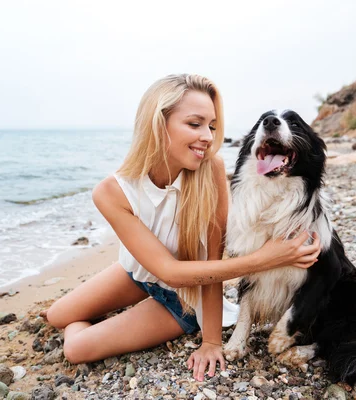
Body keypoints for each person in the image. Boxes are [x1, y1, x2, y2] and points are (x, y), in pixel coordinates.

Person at [45, 73, 321, 382]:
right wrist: (266, 258)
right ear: (157, 123)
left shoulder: (211, 169)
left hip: (186, 298)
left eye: (211, 126)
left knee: (77, 348)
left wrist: (212, 341)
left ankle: (129, 320)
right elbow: (165, 270)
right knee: (57, 316)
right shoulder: (111, 191)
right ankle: (121, 317)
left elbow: (210, 263)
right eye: (195, 124)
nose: (208, 136)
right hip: (138, 275)